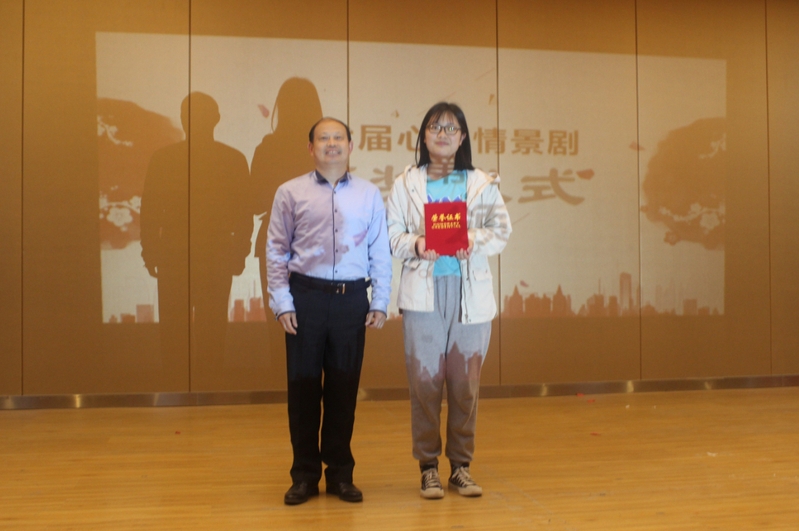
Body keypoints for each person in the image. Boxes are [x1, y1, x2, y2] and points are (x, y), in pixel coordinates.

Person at [386, 102, 511, 499]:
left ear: (462, 138)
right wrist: (417, 243)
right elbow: (391, 236)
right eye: (435, 127)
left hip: (469, 295)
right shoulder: (405, 183)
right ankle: (428, 467)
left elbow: (501, 231)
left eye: (451, 128)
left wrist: (469, 240)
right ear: (423, 136)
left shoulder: (481, 183)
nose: (443, 134)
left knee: (464, 385)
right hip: (423, 296)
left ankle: (460, 466)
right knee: (425, 384)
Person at [266, 117, 392, 505]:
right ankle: (304, 475)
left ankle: (340, 474)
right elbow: (276, 249)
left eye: (339, 137)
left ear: (351, 146)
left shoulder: (369, 194)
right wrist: (282, 302)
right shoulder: (290, 192)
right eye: (324, 138)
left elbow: (380, 250)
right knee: (303, 391)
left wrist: (380, 300)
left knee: (343, 389)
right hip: (305, 298)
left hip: (351, 300)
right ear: (311, 148)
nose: (331, 143)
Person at [141, 92, 252, 388]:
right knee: (212, 333)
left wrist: (150, 252)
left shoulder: (163, 159)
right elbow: (244, 214)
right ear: (216, 119)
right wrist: (239, 252)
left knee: (174, 335)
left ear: (182, 119)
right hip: (215, 253)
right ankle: (209, 389)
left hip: (174, 254)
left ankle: (177, 390)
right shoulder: (233, 159)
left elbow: (149, 211)